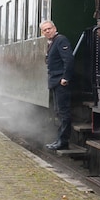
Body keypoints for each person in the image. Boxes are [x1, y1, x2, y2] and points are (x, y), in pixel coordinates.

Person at [40, 19, 74, 150]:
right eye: (45, 30)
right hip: (54, 81)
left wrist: (66, 77)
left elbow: (69, 59)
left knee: (63, 112)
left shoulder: (60, 40)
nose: (48, 31)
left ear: (54, 28)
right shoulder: (51, 42)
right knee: (58, 112)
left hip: (61, 81)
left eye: (49, 28)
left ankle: (63, 141)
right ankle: (59, 139)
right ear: (42, 33)